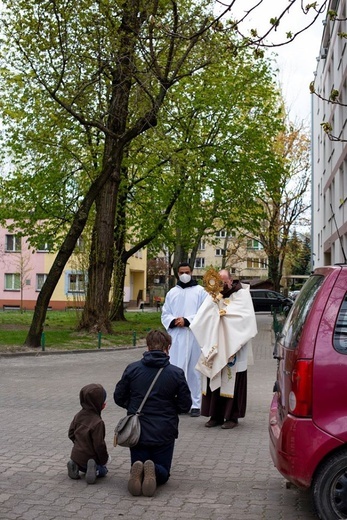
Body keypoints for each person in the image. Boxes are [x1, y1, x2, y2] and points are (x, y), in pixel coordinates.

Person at [113, 330, 192, 497]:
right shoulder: (176, 373)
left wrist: (133, 407)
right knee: (163, 474)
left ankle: (139, 468)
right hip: (164, 430)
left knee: (139, 461)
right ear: (168, 347)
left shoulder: (132, 369)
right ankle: (155, 469)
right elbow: (185, 405)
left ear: (147, 346)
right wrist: (170, 410)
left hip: (137, 431)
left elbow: (118, 397)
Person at [190, 269, 257, 429]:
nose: (222, 285)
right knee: (213, 379)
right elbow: (201, 318)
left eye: (224, 281)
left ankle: (232, 417)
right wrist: (215, 310)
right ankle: (215, 415)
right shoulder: (212, 295)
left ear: (231, 280)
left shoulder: (242, 294)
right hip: (215, 348)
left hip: (234, 347)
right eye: (218, 281)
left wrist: (224, 314)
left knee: (231, 381)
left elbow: (245, 318)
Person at [161, 262, 207, 417]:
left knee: (194, 370)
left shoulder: (201, 292)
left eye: (187, 271)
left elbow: (204, 312)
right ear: (177, 274)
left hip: (194, 335)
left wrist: (187, 320)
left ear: (192, 272)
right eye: (181, 272)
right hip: (177, 336)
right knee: (176, 368)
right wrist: (174, 321)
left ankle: (196, 403)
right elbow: (165, 313)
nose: (184, 275)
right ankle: (178, 402)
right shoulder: (172, 292)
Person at [67, 383, 110, 484]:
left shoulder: (78, 415)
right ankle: (95, 470)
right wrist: (104, 459)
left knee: (79, 461)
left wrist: (78, 444)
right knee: (104, 470)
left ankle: (74, 465)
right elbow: (99, 445)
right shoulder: (98, 422)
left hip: (76, 455)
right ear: (100, 404)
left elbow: (70, 433)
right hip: (90, 458)